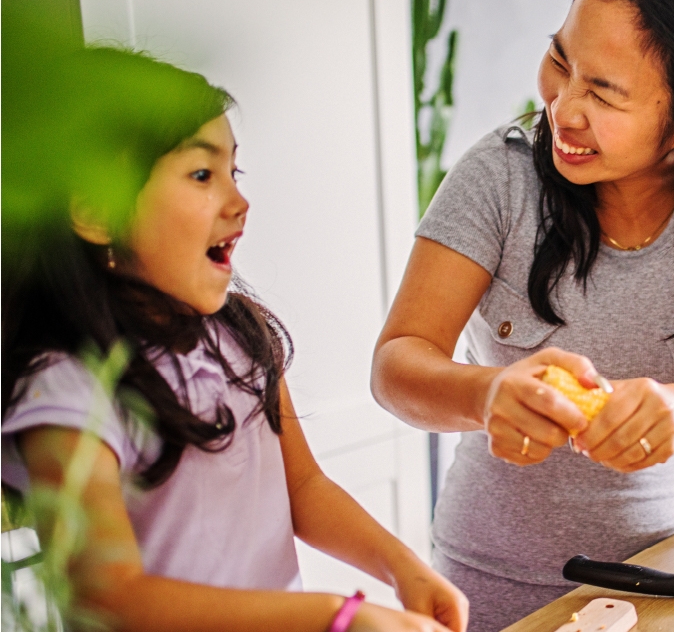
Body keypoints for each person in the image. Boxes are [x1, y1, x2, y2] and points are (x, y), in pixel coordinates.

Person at [371, 0, 674, 630]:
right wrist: (486, 395)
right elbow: (396, 363)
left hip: (663, 573)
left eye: (605, 94)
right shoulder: (501, 174)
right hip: (487, 579)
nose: (563, 108)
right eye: (560, 60)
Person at [1, 48, 468, 632]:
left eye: (234, 172)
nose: (239, 202)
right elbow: (106, 597)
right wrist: (336, 617)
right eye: (202, 175)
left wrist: (404, 569)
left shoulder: (242, 334)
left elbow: (304, 487)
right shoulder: (66, 389)